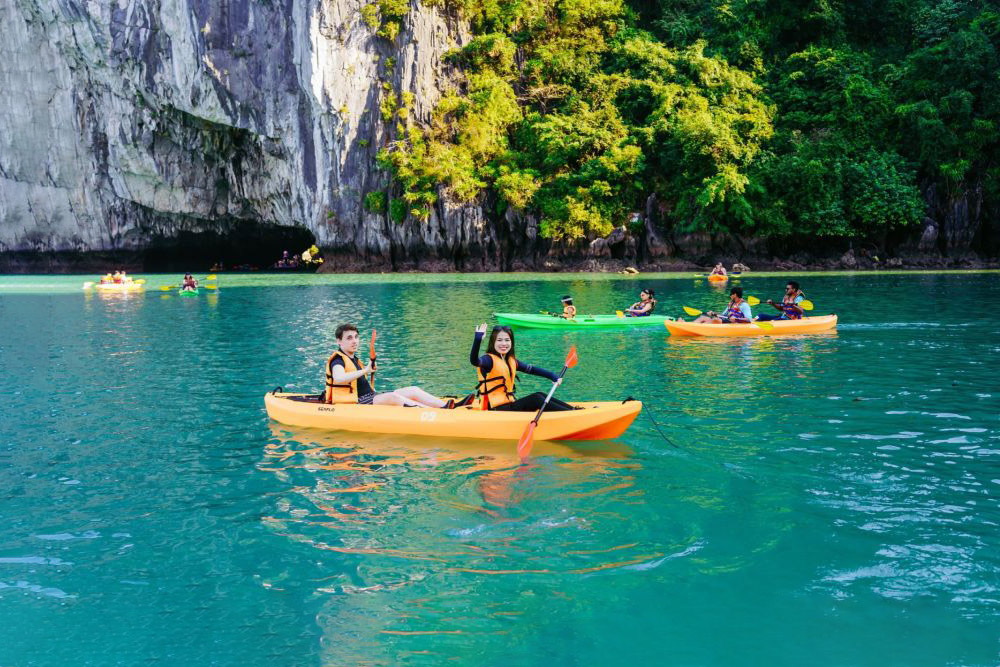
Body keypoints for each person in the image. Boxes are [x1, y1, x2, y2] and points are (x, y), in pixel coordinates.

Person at [325, 323, 460, 408]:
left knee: (412, 390)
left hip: (371, 396)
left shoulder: (353, 359)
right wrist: (365, 370)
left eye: (356, 337)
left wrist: (368, 370)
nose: (354, 341)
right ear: (339, 341)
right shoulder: (338, 360)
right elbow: (339, 378)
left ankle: (447, 406)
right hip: (358, 402)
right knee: (394, 397)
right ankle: (435, 413)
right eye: (349, 338)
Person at [471, 323, 575, 412]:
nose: (503, 343)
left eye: (507, 340)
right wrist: (477, 339)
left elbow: (532, 369)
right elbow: (474, 361)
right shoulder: (488, 360)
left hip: (508, 405)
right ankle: (572, 414)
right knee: (536, 399)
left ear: (511, 342)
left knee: (540, 394)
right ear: (493, 342)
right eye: (499, 340)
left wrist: (553, 376)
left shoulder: (510, 360)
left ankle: (573, 411)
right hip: (494, 409)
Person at [683, 286, 752, 323]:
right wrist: (713, 313)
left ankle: (701, 328)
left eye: (731, 294)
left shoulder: (744, 305)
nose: (730, 296)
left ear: (735, 295)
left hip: (735, 323)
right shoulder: (731, 304)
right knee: (703, 317)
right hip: (727, 321)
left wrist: (737, 319)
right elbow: (722, 315)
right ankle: (689, 325)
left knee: (716, 320)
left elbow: (749, 319)